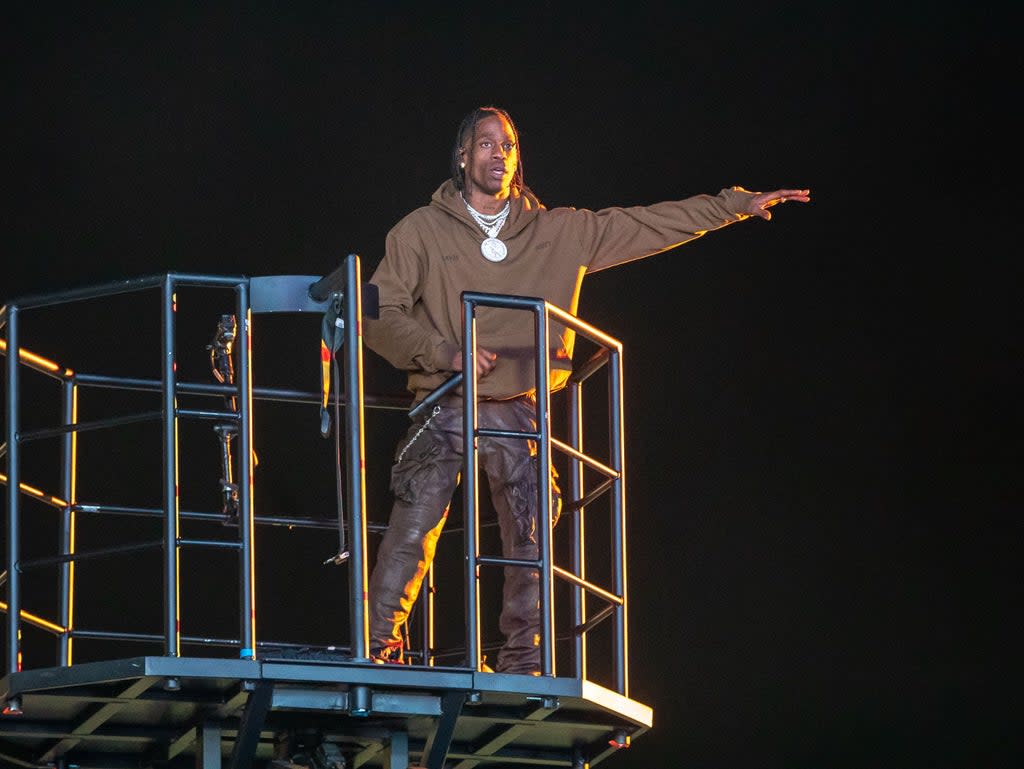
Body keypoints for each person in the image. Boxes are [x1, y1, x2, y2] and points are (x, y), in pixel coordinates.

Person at [362, 105, 810, 674]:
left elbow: (647, 224)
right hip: (446, 399)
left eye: (508, 145)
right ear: (462, 155)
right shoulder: (419, 231)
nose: (498, 154)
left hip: (518, 405)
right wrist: (444, 352)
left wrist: (733, 206)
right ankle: (378, 649)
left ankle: (524, 660)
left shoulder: (559, 231)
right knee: (416, 520)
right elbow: (379, 314)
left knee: (530, 528)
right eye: (485, 144)